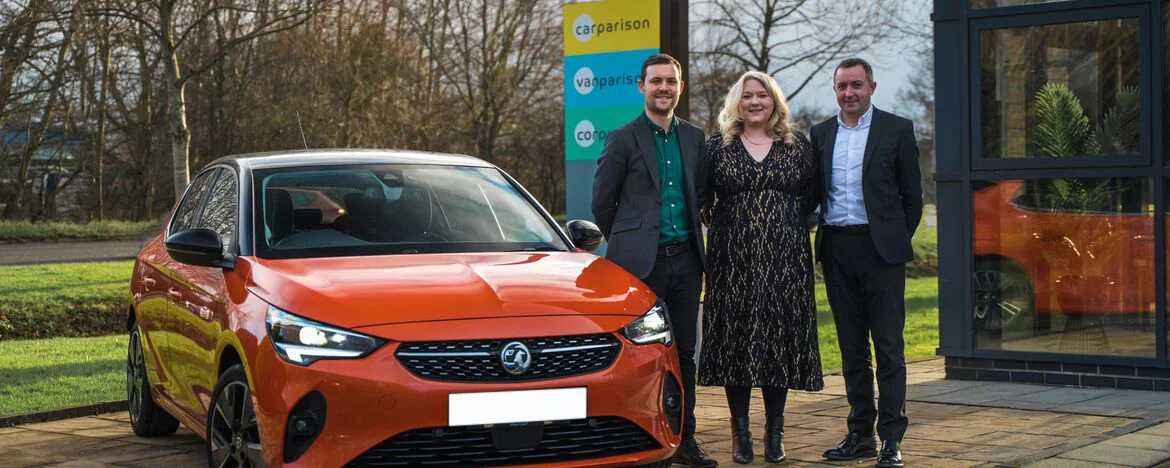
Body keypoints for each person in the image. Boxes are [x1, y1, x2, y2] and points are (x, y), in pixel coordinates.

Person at [591, 53, 716, 468]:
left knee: (685, 354)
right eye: (656, 80)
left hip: (687, 262)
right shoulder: (622, 138)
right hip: (639, 268)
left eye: (671, 81)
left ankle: (686, 439)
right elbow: (602, 204)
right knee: (644, 356)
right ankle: (649, 441)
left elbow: (699, 196)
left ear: (680, 87)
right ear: (641, 86)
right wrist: (631, 243)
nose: (664, 87)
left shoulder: (696, 138)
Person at [698, 71, 823, 465]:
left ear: (774, 102)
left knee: (777, 342)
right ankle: (740, 433)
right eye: (747, 96)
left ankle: (775, 431)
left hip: (786, 261)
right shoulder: (718, 145)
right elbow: (702, 197)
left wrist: (777, 223)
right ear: (737, 101)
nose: (755, 102)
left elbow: (811, 196)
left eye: (762, 96)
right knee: (736, 341)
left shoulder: (796, 144)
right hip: (731, 261)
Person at [812, 57, 922, 468]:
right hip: (837, 250)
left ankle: (891, 440)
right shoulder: (821, 133)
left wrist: (892, 238)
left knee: (889, 349)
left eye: (856, 85)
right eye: (842, 86)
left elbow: (913, 199)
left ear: (872, 87)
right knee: (851, 349)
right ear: (835, 90)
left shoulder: (897, 128)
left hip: (882, 253)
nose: (849, 93)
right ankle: (859, 435)